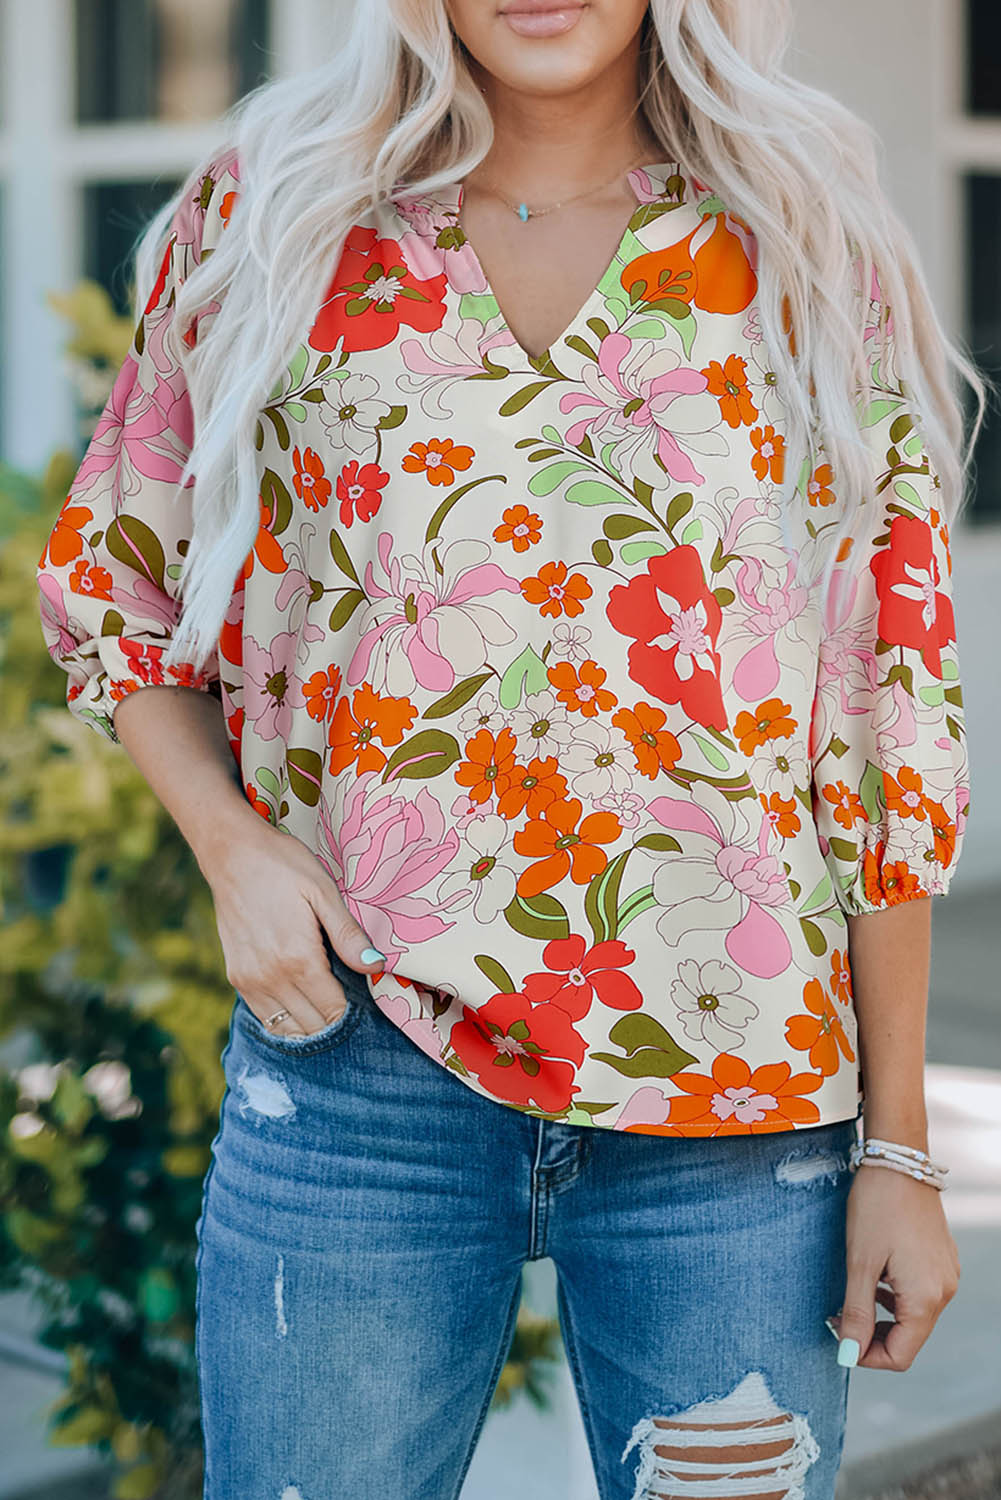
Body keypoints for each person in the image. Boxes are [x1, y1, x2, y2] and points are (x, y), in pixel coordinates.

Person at [35, 2, 984, 1496]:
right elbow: (116, 576)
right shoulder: (279, 209)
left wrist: (903, 1150)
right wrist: (233, 848)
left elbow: (884, 713)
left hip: (735, 1091)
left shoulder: (802, 234)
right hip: (359, 1064)